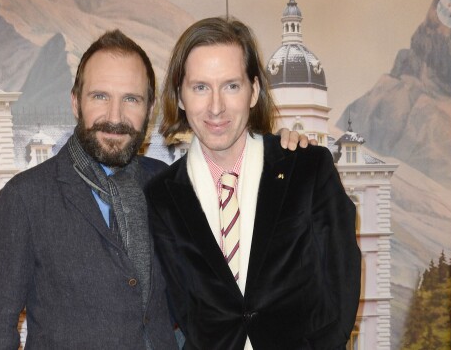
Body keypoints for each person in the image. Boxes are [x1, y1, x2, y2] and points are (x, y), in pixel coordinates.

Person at [0, 29, 307, 349]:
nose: (115, 116)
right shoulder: (24, 199)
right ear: (76, 103)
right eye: (100, 96)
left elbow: (221, 279)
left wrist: (281, 155)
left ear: (149, 109)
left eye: (131, 99)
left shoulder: (168, 184)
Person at [146, 17, 361, 350]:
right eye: (200, 87)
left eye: (231, 85)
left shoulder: (307, 168)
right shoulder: (161, 197)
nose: (216, 107)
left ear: (254, 91)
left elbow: (341, 279)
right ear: (181, 96)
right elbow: (183, 307)